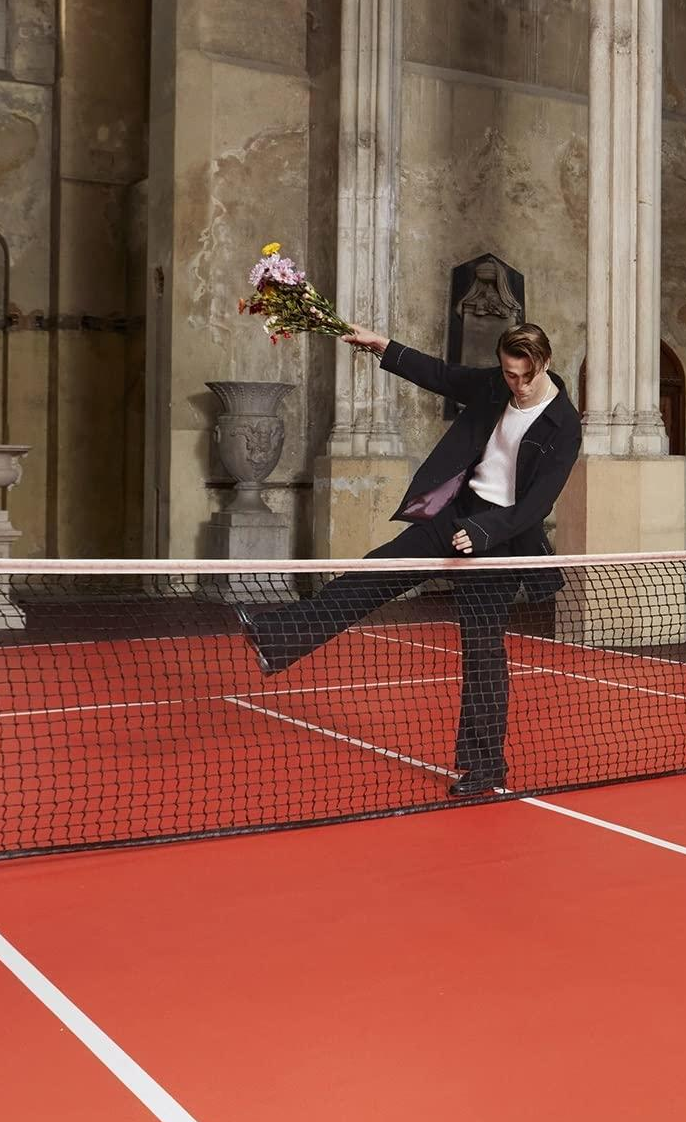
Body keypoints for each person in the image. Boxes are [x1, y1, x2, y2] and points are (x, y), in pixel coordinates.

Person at [236, 322, 582, 796]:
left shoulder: (564, 423)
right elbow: (438, 374)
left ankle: (484, 766)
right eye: (508, 373)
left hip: (501, 538)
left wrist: (483, 533)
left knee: (482, 652)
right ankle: (276, 638)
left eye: (525, 375)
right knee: (374, 572)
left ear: (543, 363)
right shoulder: (491, 384)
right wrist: (382, 346)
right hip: (456, 513)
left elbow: (537, 505)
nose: (516, 384)